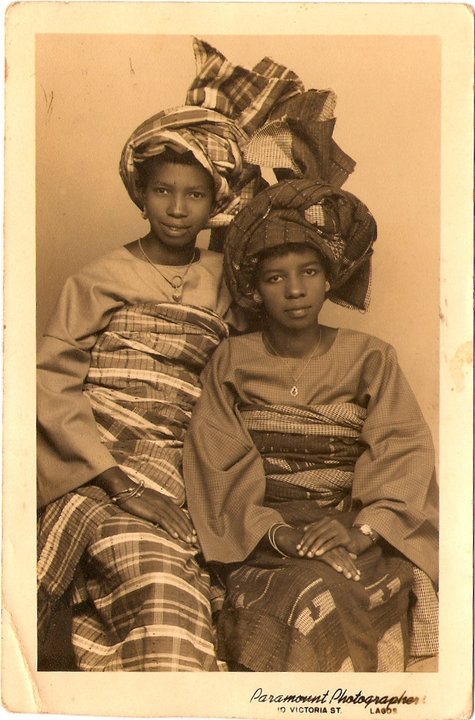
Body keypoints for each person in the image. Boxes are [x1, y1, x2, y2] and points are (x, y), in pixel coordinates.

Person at [37, 37, 359, 671]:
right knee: (154, 573)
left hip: (192, 469)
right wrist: (119, 485)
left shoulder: (231, 281)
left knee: (192, 579)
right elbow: (51, 385)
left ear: (219, 204)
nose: (178, 209)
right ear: (141, 192)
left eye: (196, 195)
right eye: (163, 191)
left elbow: (252, 370)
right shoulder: (97, 278)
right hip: (103, 465)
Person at [183, 178, 439, 672]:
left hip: (352, 525)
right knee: (304, 594)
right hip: (262, 535)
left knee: (345, 586)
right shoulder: (232, 359)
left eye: (309, 271)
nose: (295, 290)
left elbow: (403, 451)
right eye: (274, 278)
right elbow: (214, 463)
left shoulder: (371, 357)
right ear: (253, 289)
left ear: (330, 278)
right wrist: (280, 536)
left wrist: (360, 532)